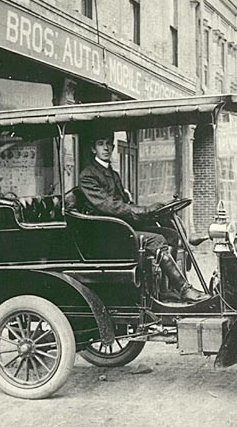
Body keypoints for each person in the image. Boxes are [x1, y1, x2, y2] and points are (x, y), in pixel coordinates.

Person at [79, 128, 209, 303]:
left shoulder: (113, 174)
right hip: (106, 234)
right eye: (100, 144)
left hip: (118, 227)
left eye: (109, 144)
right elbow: (110, 206)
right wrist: (144, 211)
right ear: (93, 149)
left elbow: (124, 203)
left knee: (171, 235)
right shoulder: (88, 176)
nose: (106, 148)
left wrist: (150, 210)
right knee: (156, 240)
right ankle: (184, 289)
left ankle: (166, 290)